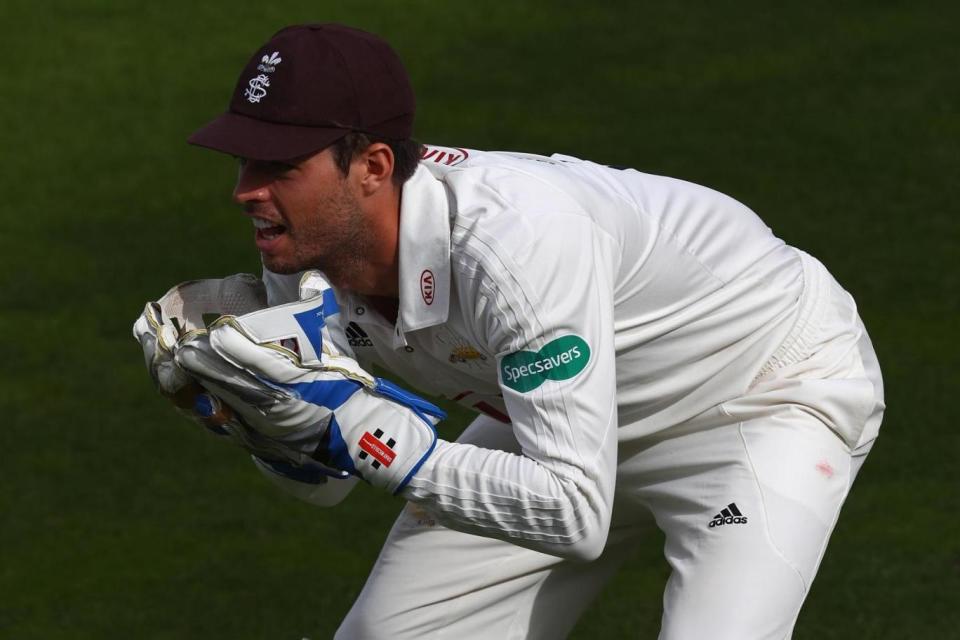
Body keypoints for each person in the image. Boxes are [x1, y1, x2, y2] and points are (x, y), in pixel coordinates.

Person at [138, 23, 885, 639]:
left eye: (279, 165)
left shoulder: (512, 248)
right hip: (558, 419)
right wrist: (255, 417)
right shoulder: (303, 256)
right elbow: (328, 482)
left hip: (758, 394)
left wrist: (355, 422)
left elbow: (571, 512)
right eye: (243, 159)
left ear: (371, 165)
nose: (245, 192)